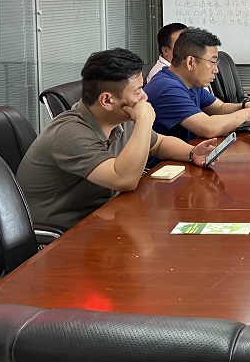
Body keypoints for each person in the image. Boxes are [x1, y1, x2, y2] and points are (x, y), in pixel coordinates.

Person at [17, 48, 217, 230]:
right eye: (138, 91)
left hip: (105, 218)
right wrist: (144, 120)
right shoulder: (69, 133)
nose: (145, 97)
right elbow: (124, 180)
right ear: (107, 100)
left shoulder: (118, 119)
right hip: (61, 238)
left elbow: (159, 143)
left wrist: (192, 153)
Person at [144, 26, 250, 141]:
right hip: (163, 164)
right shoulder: (167, 88)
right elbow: (208, 127)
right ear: (191, 62)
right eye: (212, 62)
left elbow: (220, 108)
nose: (216, 70)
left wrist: (245, 106)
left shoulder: (189, 82)